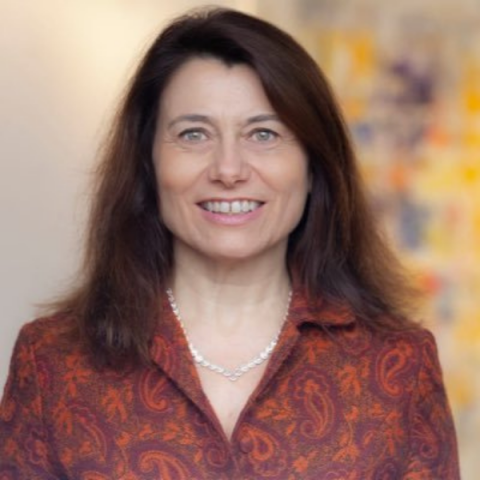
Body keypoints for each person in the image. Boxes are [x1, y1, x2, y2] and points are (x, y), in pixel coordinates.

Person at [0, 7, 460, 480]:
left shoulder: (399, 364)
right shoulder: (53, 361)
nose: (228, 169)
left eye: (263, 134)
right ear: (148, 164)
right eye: (193, 134)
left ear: (313, 168)